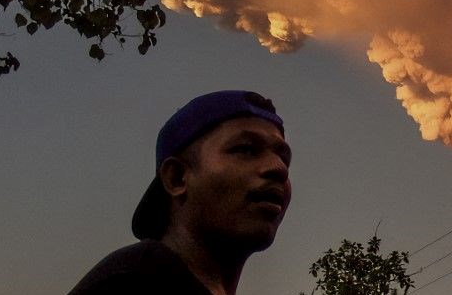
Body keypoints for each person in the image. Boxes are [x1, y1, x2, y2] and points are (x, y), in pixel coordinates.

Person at [68, 90, 293, 295]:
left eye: (283, 157)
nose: (279, 168)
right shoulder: (130, 283)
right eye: (246, 149)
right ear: (177, 178)